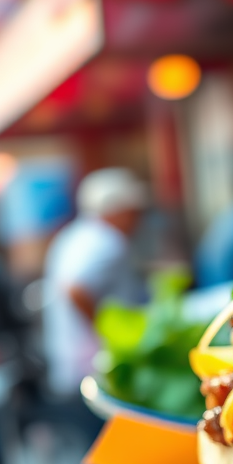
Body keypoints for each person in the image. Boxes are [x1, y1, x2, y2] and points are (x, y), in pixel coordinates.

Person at [42, 167, 147, 395]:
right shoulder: (106, 241)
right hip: (94, 368)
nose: (137, 219)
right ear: (115, 210)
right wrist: (111, 336)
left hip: (71, 364)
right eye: (132, 211)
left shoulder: (75, 235)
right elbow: (75, 289)